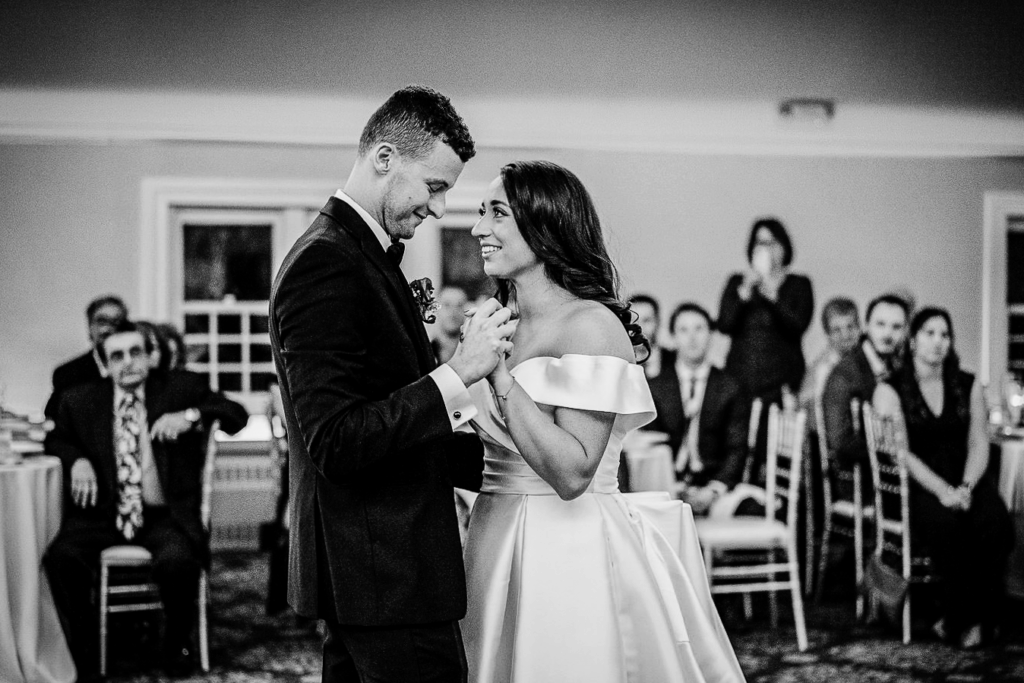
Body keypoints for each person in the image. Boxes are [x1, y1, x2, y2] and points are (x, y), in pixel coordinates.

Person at [461, 161, 745, 682]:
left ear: (545, 227)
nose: (479, 228)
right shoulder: (500, 321)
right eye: (481, 213)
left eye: (496, 214)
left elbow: (573, 473)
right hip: (491, 534)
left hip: (566, 545)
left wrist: (500, 377)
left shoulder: (592, 326)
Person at [270, 85, 514, 683]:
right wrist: (458, 373)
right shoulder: (325, 261)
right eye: (435, 187)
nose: (438, 208)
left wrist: (510, 465)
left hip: (378, 570)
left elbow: (390, 408)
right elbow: (337, 441)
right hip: (382, 569)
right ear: (385, 158)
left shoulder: (365, 254)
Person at [43, 320, 248, 681]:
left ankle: (175, 643)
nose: (128, 363)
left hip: (163, 516)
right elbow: (56, 439)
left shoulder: (181, 389)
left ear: (150, 356)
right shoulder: (80, 400)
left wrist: (190, 415)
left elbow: (236, 415)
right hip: (103, 516)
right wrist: (76, 460)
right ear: (104, 364)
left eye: (135, 352)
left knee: (178, 561)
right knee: (62, 558)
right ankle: (86, 654)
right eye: (117, 356)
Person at [873, 308, 1013, 650]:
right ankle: (961, 620)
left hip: (967, 476)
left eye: (945, 334)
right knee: (948, 526)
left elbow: (978, 441)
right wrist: (943, 492)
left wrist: (965, 487)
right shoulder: (891, 389)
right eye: (930, 333)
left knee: (996, 523)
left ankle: (980, 617)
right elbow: (902, 454)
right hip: (919, 485)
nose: (938, 342)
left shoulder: (967, 385)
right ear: (913, 339)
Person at [647, 302, 751, 517]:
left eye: (699, 329)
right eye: (683, 330)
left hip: (713, 486)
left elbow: (737, 448)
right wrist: (673, 486)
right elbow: (650, 443)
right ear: (673, 337)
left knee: (750, 508)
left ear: (711, 334)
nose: (692, 337)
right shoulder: (655, 387)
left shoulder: (731, 388)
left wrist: (712, 490)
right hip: (668, 485)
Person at [717, 218, 813, 405]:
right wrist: (743, 294)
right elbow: (724, 324)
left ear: (784, 246)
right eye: (760, 242)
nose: (766, 248)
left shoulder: (799, 284)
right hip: (740, 381)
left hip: (783, 383)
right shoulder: (737, 281)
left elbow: (798, 325)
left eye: (772, 242)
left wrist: (771, 294)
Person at [822, 294, 909, 482]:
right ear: (867, 326)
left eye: (896, 327)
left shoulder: (901, 366)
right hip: (861, 478)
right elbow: (840, 442)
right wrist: (892, 449)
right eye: (880, 325)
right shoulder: (844, 374)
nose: (888, 334)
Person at [44, 294, 128, 419]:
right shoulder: (68, 374)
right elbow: (54, 419)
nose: (108, 329)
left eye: (116, 322)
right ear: (90, 327)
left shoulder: (134, 369)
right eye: (102, 321)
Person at [799, 297, 861, 429]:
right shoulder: (823, 369)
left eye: (850, 327)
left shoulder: (863, 360)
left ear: (859, 328)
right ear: (827, 335)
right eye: (837, 330)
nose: (845, 335)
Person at [628, 293, 674, 379]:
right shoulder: (618, 362)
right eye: (633, 321)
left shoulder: (676, 361)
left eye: (646, 321)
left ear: (658, 323)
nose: (640, 328)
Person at [431, 285, 470, 363]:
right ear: (436, 310)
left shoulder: (472, 353)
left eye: (459, 305)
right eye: (447, 305)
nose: (453, 312)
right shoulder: (426, 352)